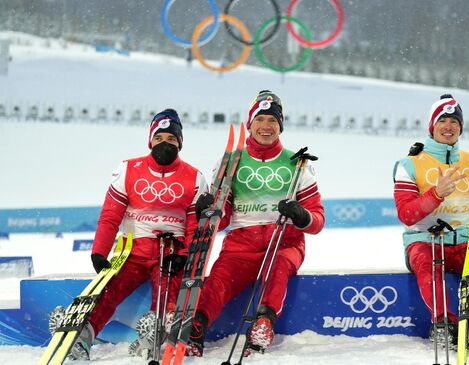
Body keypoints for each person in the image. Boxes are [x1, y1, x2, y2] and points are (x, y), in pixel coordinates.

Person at [186, 90, 325, 357]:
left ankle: (263, 324)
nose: (266, 126)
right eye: (260, 119)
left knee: (279, 268)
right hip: (241, 242)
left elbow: (317, 220)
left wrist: (300, 215)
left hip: (284, 240)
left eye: (272, 121)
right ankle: (197, 326)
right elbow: (222, 218)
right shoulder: (230, 162)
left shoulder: (298, 163)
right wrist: (208, 210)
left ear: (280, 126)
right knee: (219, 279)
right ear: (250, 124)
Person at [62, 109, 207, 360]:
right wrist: (99, 251)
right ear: (150, 140)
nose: (165, 144)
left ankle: (150, 338)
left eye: (172, 139)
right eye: (160, 138)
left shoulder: (195, 177)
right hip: (133, 248)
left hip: (170, 249)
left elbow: (195, 225)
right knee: (110, 290)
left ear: (180, 143)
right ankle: (82, 338)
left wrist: (184, 254)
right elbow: (110, 215)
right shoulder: (128, 169)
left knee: (167, 295)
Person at [392, 94, 469, 351]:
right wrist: (436, 194)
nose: (449, 126)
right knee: (427, 260)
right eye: (443, 120)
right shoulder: (409, 164)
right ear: (431, 127)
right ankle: (443, 323)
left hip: (463, 240)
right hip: (425, 240)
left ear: (461, 127)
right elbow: (406, 214)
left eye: (455, 121)